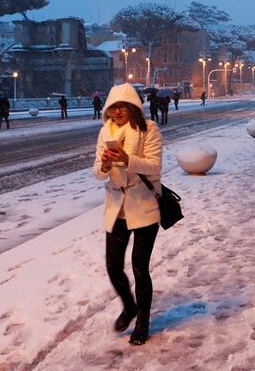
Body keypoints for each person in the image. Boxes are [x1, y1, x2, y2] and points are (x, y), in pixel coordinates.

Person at [93, 83, 163, 346]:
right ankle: (129, 306)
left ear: (133, 107)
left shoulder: (148, 130)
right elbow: (97, 173)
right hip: (116, 206)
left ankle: (142, 324)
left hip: (143, 205)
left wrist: (126, 158)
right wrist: (105, 164)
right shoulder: (105, 132)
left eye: (122, 106)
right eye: (113, 107)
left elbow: (155, 166)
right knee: (113, 266)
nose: (117, 111)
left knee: (140, 267)